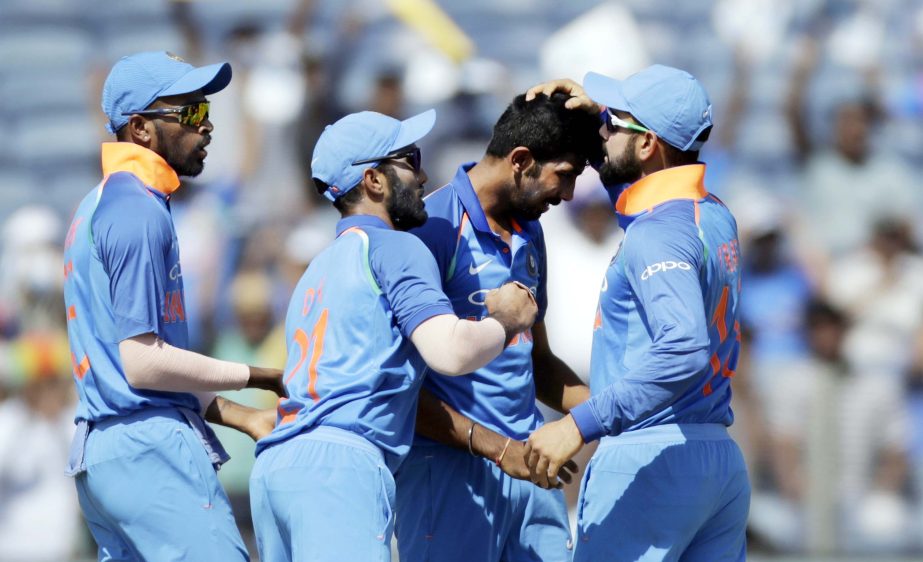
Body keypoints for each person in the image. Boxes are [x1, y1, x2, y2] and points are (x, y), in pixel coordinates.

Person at [249, 109, 538, 562]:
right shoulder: (396, 246)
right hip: (341, 467)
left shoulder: (318, 266)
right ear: (374, 181)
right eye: (409, 159)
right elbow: (450, 352)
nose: (423, 175)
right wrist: (507, 321)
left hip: (276, 467)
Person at [62, 51, 286, 561]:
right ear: (140, 129)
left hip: (107, 453)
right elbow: (143, 363)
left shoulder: (102, 202)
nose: (206, 128)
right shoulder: (138, 210)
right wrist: (257, 375)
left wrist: (243, 417)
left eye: (206, 112)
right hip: (149, 451)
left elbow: (141, 367)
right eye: (190, 113)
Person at [524, 65, 750, 561]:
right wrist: (604, 114)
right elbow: (640, 202)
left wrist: (576, 425)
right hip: (716, 459)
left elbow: (684, 348)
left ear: (648, 145)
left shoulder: (656, 233)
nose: (601, 135)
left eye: (614, 124)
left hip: (651, 460)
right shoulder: (713, 212)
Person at [394, 92, 602, 562]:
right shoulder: (432, 228)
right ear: (521, 160)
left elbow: (537, 361)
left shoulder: (530, 230)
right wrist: (495, 448)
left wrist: (612, 413)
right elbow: (401, 384)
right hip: (450, 472)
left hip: (530, 466)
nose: (567, 195)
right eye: (564, 176)